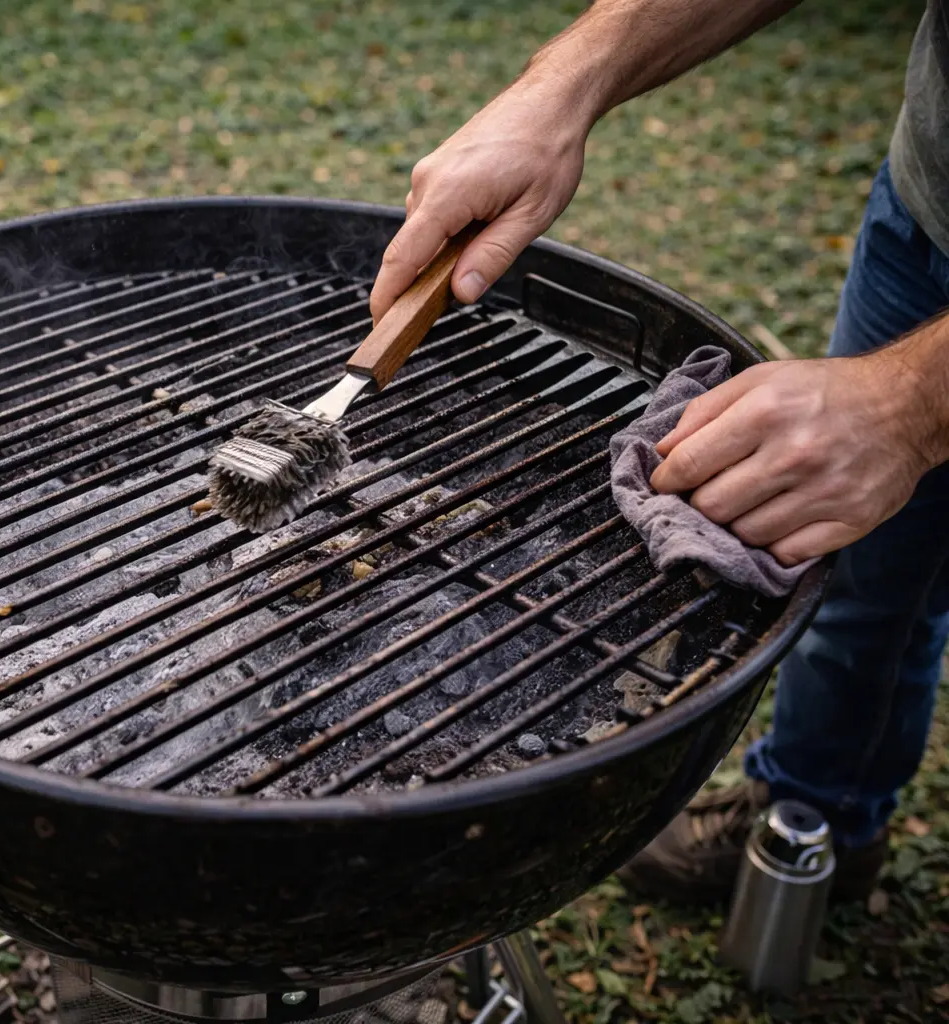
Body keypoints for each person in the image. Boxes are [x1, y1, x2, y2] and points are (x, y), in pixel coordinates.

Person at [368, 0, 949, 904]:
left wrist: (914, 402)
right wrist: (563, 86)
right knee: (864, 570)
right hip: (931, 210)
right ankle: (815, 807)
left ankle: (822, 827)